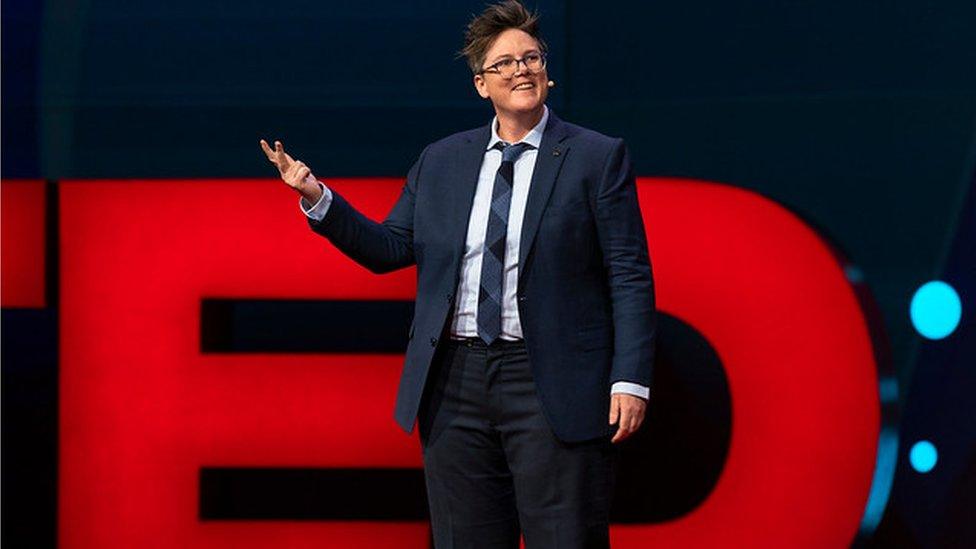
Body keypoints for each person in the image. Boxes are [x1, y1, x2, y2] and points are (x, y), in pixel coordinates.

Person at [259, 1, 655, 546]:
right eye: (505, 63)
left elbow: (629, 273)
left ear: (548, 72)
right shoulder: (442, 160)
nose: (521, 70)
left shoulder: (595, 156)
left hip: (551, 380)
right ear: (480, 85)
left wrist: (629, 378)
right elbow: (390, 247)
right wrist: (317, 198)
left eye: (531, 58)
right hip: (455, 384)